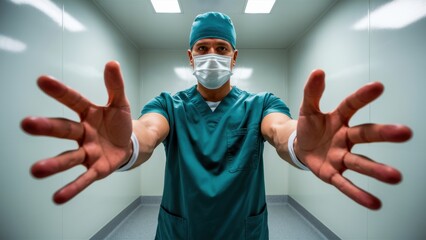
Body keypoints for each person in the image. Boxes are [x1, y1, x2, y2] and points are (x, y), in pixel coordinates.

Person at [21, 12, 412, 239]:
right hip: (180, 231)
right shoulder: (168, 105)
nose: (212, 56)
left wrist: (298, 145)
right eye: (203, 49)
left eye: (221, 49)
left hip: (245, 231)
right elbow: (146, 132)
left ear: (234, 56)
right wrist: (127, 147)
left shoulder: (262, 104)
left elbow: (280, 131)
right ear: (190, 57)